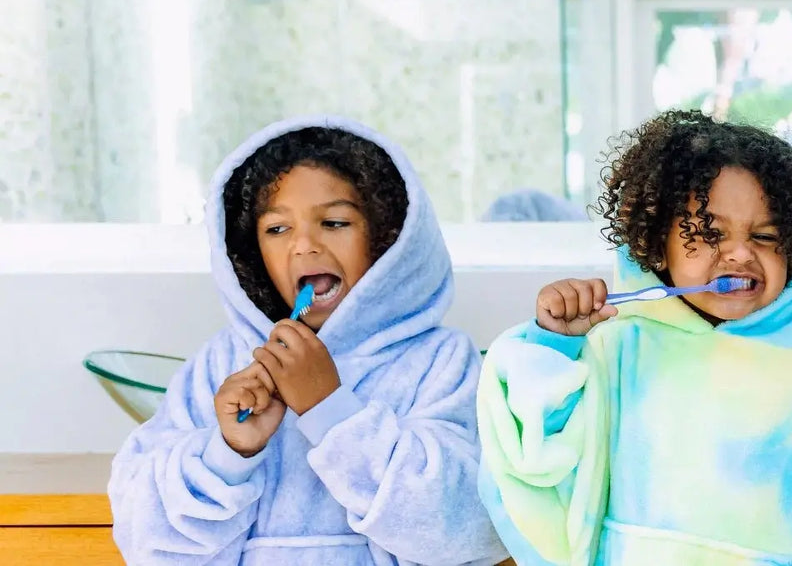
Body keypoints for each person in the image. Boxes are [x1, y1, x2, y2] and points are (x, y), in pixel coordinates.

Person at [476, 110, 792, 565]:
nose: (742, 252)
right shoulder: (618, 348)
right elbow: (538, 463)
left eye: (765, 236)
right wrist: (554, 346)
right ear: (654, 242)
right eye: (710, 232)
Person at [108, 117, 509, 565]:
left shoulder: (441, 361)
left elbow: (473, 530)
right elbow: (147, 544)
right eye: (276, 229)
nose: (303, 245)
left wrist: (330, 410)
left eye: (334, 222)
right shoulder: (222, 363)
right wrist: (228, 453)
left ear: (386, 237)